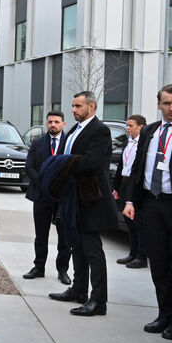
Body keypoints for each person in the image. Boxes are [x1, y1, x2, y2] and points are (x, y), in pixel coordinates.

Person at [123, 84, 172, 340]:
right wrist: (130, 200)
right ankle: (163, 314)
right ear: (159, 104)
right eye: (167, 103)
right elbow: (137, 168)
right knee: (159, 264)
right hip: (151, 205)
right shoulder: (150, 131)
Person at [48, 91, 115, 316]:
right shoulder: (75, 130)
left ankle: (98, 301)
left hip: (90, 200)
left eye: (78, 106)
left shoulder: (100, 131)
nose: (74, 110)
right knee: (76, 245)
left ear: (92, 107)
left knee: (92, 250)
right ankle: (78, 290)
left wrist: (58, 163)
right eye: (73, 106)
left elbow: (90, 162)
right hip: (73, 199)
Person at [22, 110, 71, 284]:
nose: (53, 125)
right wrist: (43, 184)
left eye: (57, 122)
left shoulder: (69, 142)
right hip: (41, 196)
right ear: (46, 123)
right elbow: (29, 167)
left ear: (63, 124)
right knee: (40, 235)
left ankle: (63, 270)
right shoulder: (37, 143)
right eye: (50, 122)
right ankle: (39, 267)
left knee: (64, 236)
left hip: (62, 197)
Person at [113, 114, 148, 268]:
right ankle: (132, 253)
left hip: (136, 185)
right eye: (127, 125)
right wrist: (117, 186)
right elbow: (122, 165)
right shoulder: (129, 142)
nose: (128, 128)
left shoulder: (145, 143)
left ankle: (142, 256)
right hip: (124, 183)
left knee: (138, 222)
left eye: (131, 125)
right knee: (128, 221)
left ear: (141, 126)